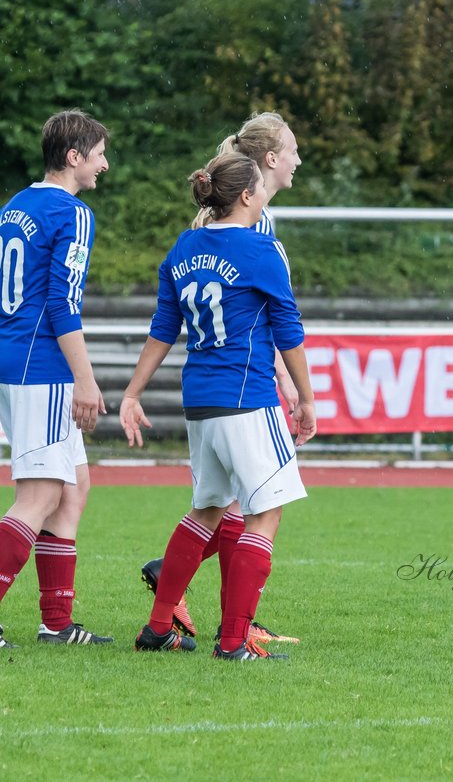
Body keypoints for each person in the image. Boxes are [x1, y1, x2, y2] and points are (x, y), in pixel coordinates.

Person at [122, 152, 317, 660]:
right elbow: (289, 331)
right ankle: (234, 643)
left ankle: (159, 627)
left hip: (200, 401)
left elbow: (163, 329)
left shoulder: (184, 247)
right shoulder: (262, 250)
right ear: (248, 196)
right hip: (246, 397)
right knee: (264, 515)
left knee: (207, 510)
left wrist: (132, 392)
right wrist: (307, 398)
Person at [0, 109, 113, 649]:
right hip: (43, 367)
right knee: (39, 494)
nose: (105, 165)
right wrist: (85, 380)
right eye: (99, 154)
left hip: (7, 359)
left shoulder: (16, 207)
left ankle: (56, 623)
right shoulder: (73, 213)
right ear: (73, 157)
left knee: (74, 488)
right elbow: (62, 304)